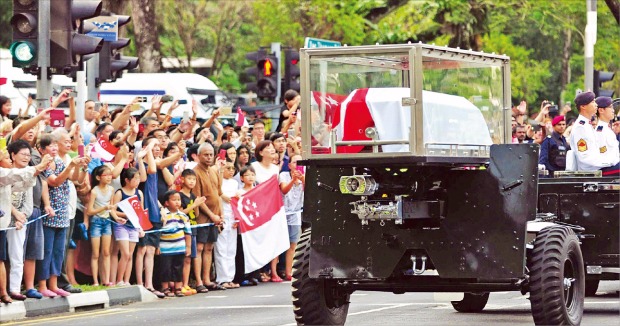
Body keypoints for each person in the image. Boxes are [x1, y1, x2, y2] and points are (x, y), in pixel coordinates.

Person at [192, 142, 225, 291]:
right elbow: (197, 198)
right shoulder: (195, 172)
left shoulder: (214, 171)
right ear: (198, 156)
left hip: (215, 216)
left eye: (211, 154)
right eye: (205, 154)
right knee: (199, 248)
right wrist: (212, 215)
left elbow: (218, 194)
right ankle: (199, 281)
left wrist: (221, 214)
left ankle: (207, 279)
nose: (209, 157)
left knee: (209, 248)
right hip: (202, 218)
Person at [86, 165, 123, 286]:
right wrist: (103, 208)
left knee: (106, 252)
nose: (109, 177)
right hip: (96, 222)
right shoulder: (94, 191)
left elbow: (111, 208)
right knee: (95, 253)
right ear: (98, 177)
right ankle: (95, 281)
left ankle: (106, 280)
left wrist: (117, 217)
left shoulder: (111, 190)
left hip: (107, 221)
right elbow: (90, 211)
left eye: (109, 175)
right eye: (105, 175)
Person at [112, 168, 146, 286]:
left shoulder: (139, 193)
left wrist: (141, 228)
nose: (138, 181)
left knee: (130, 254)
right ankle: (119, 279)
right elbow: (113, 210)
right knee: (125, 253)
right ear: (127, 180)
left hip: (134, 226)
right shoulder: (120, 193)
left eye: (138, 178)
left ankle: (126, 280)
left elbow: (140, 212)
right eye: (135, 179)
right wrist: (126, 214)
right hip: (122, 225)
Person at [178, 169, 206, 295]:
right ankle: (181, 284)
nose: (192, 182)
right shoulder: (179, 195)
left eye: (194, 179)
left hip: (193, 228)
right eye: (189, 179)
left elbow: (196, 214)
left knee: (190, 257)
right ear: (182, 179)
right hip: (183, 230)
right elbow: (180, 213)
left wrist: (197, 205)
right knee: (185, 257)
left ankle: (186, 283)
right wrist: (194, 205)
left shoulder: (193, 196)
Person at [569, 91, 613, 171]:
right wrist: (606, 162)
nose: (596, 104)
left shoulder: (587, 125)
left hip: (597, 167)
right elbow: (584, 156)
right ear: (583, 106)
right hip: (592, 170)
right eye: (592, 102)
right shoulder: (580, 128)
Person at [159, 190, 191, 297]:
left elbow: (187, 232)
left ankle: (178, 288)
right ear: (166, 203)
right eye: (174, 200)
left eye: (179, 200)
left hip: (179, 247)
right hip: (165, 248)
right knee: (165, 268)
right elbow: (158, 232)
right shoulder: (163, 215)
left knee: (178, 268)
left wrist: (188, 247)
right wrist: (157, 246)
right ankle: (165, 288)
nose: (177, 202)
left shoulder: (183, 216)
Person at [279, 154, 305, 281]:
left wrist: (302, 179)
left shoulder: (305, 175)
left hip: (296, 213)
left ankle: (290, 272)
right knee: (281, 244)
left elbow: (309, 190)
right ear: (289, 165)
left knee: (293, 244)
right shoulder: (284, 175)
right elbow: (284, 190)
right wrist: (293, 180)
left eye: (300, 163)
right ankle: (276, 271)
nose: (297, 165)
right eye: (295, 162)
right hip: (282, 213)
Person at [214, 160, 240, 289]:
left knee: (231, 249)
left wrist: (237, 218)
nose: (231, 170)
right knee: (221, 248)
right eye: (228, 168)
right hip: (222, 216)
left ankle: (230, 277)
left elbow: (236, 202)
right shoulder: (219, 182)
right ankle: (222, 278)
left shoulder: (235, 183)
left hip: (232, 217)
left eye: (232, 168)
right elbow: (217, 194)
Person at [594, 97, 620, 176]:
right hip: (606, 169)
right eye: (610, 107)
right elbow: (603, 156)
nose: (613, 110)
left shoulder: (607, 129)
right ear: (601, 110)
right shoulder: (600, 131)